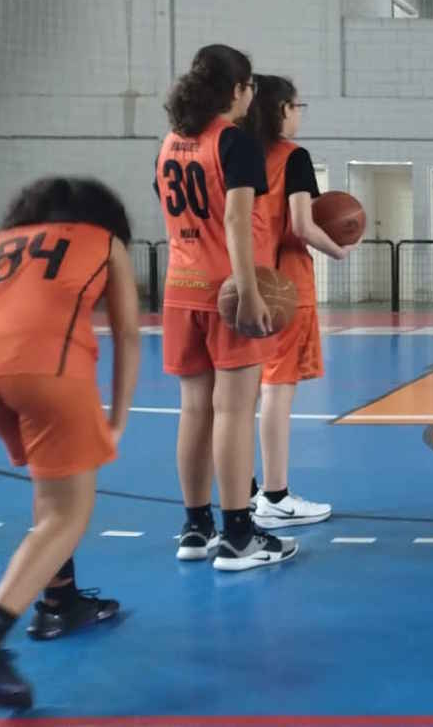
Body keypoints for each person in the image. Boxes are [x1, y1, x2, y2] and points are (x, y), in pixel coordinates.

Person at [156, 44, 298, 571]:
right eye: (249, 88)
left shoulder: (171, 142)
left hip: (179, 289)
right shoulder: (232, 142)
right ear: (238, 91)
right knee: (234, 410)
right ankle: (239, 534)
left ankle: (197, 527)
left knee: (193, 409)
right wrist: (250, 289)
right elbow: (237, 221)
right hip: (225, 293)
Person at [0, 177, 140, 708]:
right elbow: (128, 333)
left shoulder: (8, 241)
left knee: (49, 488)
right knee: (67, 514)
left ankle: (58, 600)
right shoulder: (104, 241)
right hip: (46, 370)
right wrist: (118, 417)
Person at [242, 75, 351, 528]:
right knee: (277, 392)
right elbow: (303, 225)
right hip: (283, 286)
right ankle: (276, 496)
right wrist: (339, 249)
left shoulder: (236, 153)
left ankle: (241, 492)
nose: (300, 112)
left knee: (235, 398)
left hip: (236, 282)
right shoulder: (294, 158)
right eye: (297, 104)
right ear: (282, 109)